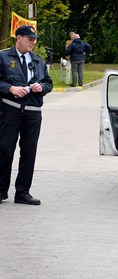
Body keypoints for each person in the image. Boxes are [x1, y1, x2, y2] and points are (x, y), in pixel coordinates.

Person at [0, 25, 53, 206]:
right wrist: (10, 88)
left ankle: (23, 192)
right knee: (5, 150)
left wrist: (42, 87)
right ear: (19, 38)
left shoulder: (37, 60)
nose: (32, 42)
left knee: (29, 152)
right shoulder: (4, 57)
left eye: (34, 39)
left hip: (33, 112)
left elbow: (48, 83)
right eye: (29, 38)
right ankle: (1, 190)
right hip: (11, 110)